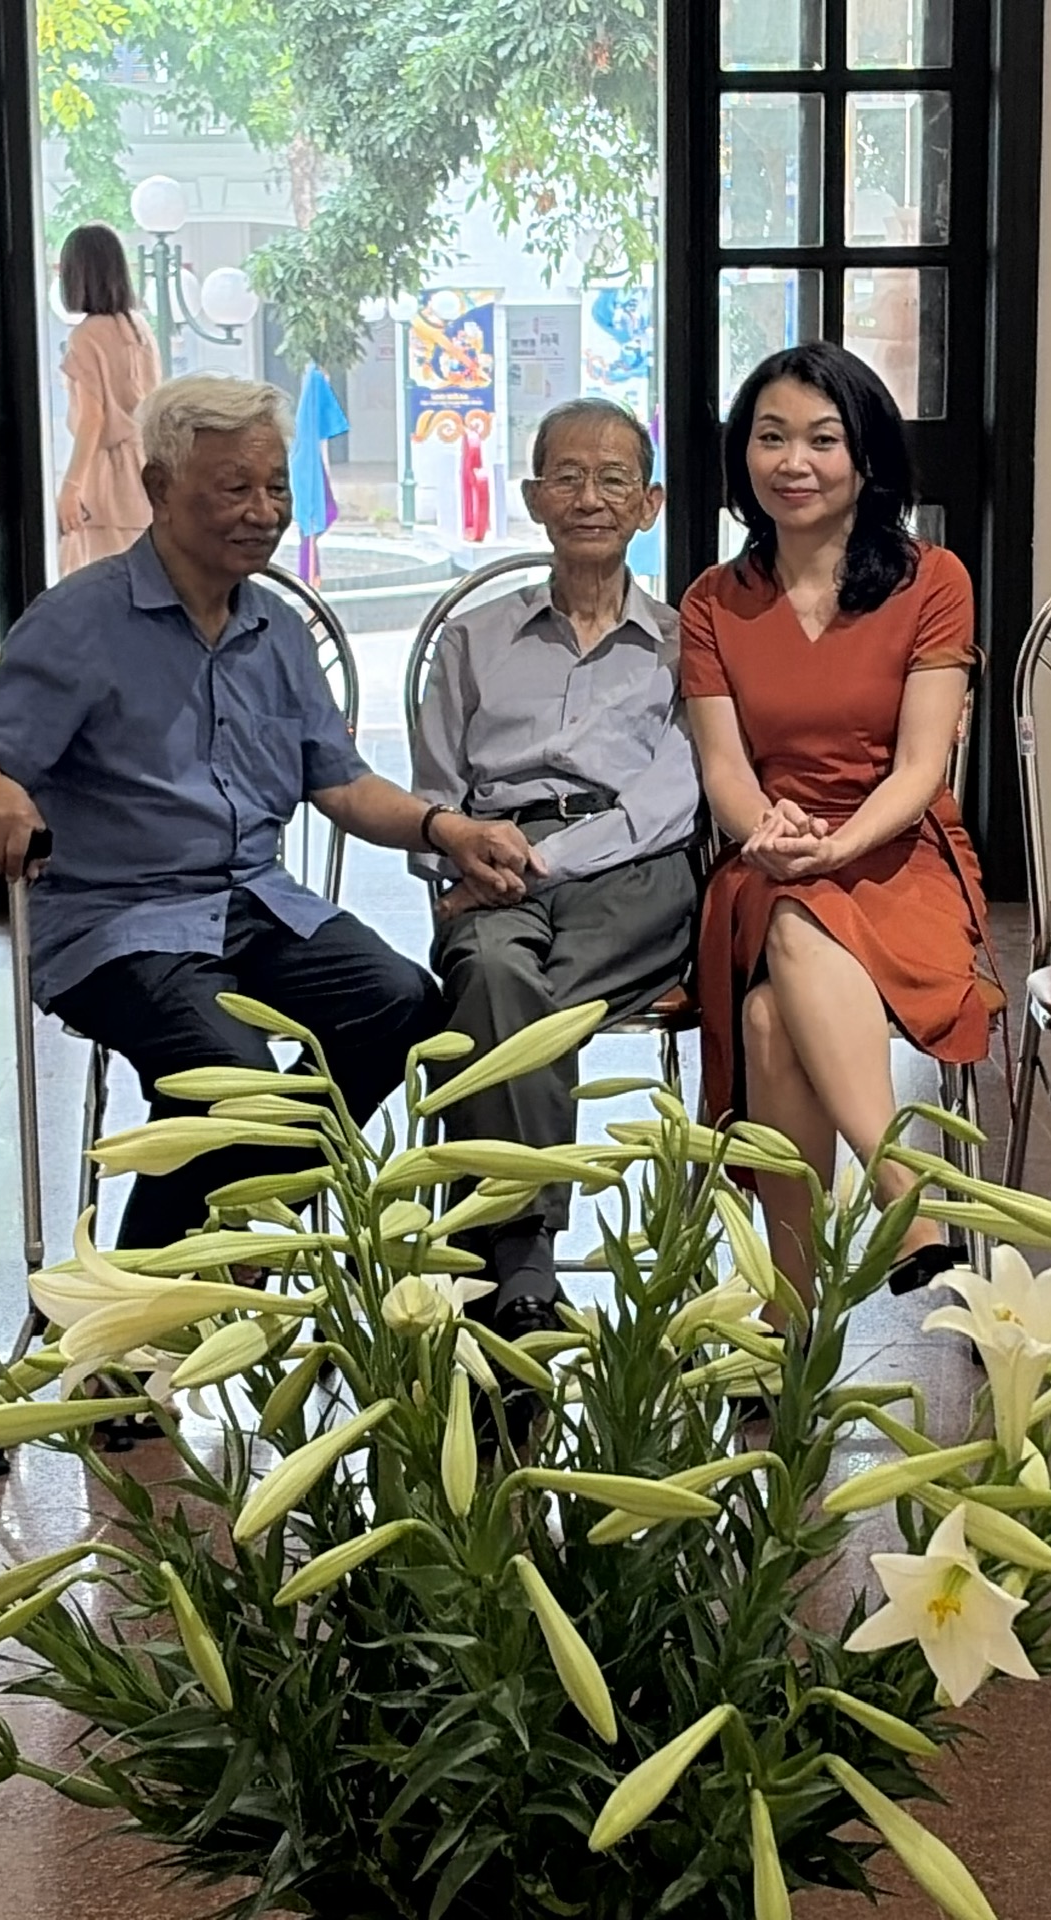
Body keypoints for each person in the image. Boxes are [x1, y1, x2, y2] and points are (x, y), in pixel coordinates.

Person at [0, 373, 534, 1251]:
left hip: (255, 904)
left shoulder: (276, 631)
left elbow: (340, 784)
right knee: (229, 1069)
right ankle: (153, 1294)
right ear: (159, 489)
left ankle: (238, 1229)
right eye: (235, 489)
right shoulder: (82, 620)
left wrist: (446, 829)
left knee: (401, 1005)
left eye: (276, 487)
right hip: (116, 920)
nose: (264, 512)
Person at [679, 343, 992, 1296]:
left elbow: (921, 768)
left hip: (900, 853)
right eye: (770, 437)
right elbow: (725, 771)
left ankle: (793, 1315)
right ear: (742, 455)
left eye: (822, 439)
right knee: (783, 938)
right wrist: (768, 835)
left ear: (865, 457)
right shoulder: (712, 602)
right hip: (769, 851)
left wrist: (839, 844)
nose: (793, 462)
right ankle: (904, 1201)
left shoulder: (934, 580)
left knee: (772, 1005)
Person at [409, 397, 698, 1337]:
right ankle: (526, 1273)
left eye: (614, 479)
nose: (589, 498)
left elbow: (666, 807)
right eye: (567, 477)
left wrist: (539, 861)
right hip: (490, 860)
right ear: (534, 498)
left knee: (498, 999)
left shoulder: (687, 648)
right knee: (496, 970)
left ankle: (492, 1262)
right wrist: (464, 850)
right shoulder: (472, 639)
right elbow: (432, 801)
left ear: (649, 504)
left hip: (631, 870)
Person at [54, 223, 161, 575]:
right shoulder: (141, 329)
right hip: (144, 470)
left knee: (97, 586)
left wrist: (71, 487)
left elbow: (92, 419)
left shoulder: (86, 336)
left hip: (105, 479)